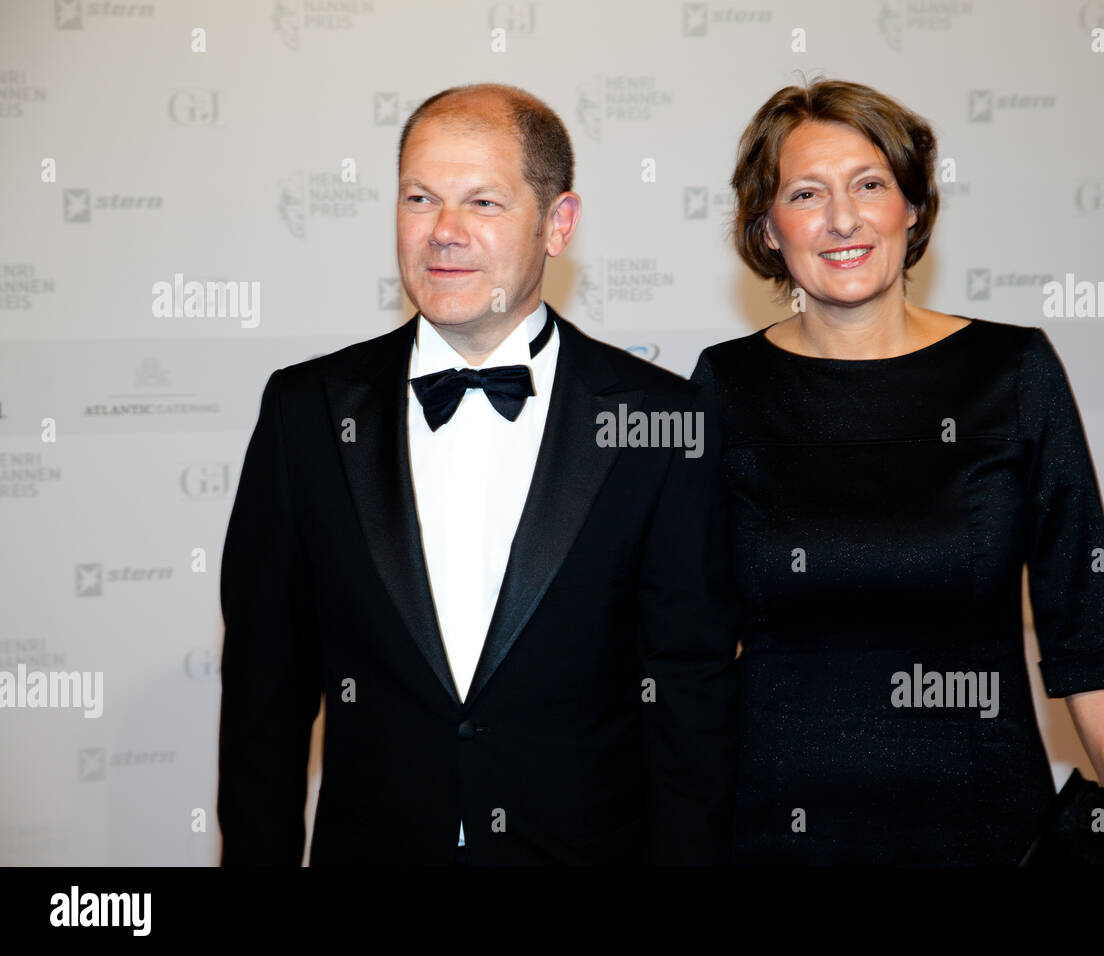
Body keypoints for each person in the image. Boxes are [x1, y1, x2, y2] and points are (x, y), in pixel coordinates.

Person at [217, 83, 739, 866]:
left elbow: (689, 703)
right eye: (420, 198)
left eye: (484, 203)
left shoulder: (663, 423)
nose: (444, 233)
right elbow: (266, 694)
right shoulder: (306, 412)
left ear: (558, 224)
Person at [691, 78, 1104, 866]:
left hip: (984, 829)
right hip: (776, 831)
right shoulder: (725, 387)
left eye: (870, 185)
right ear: (769, 230)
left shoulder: (1013, 373)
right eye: (806, 194)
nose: (842, 219)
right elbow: (693, 648)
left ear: (912, 208)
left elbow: (1085, 634)